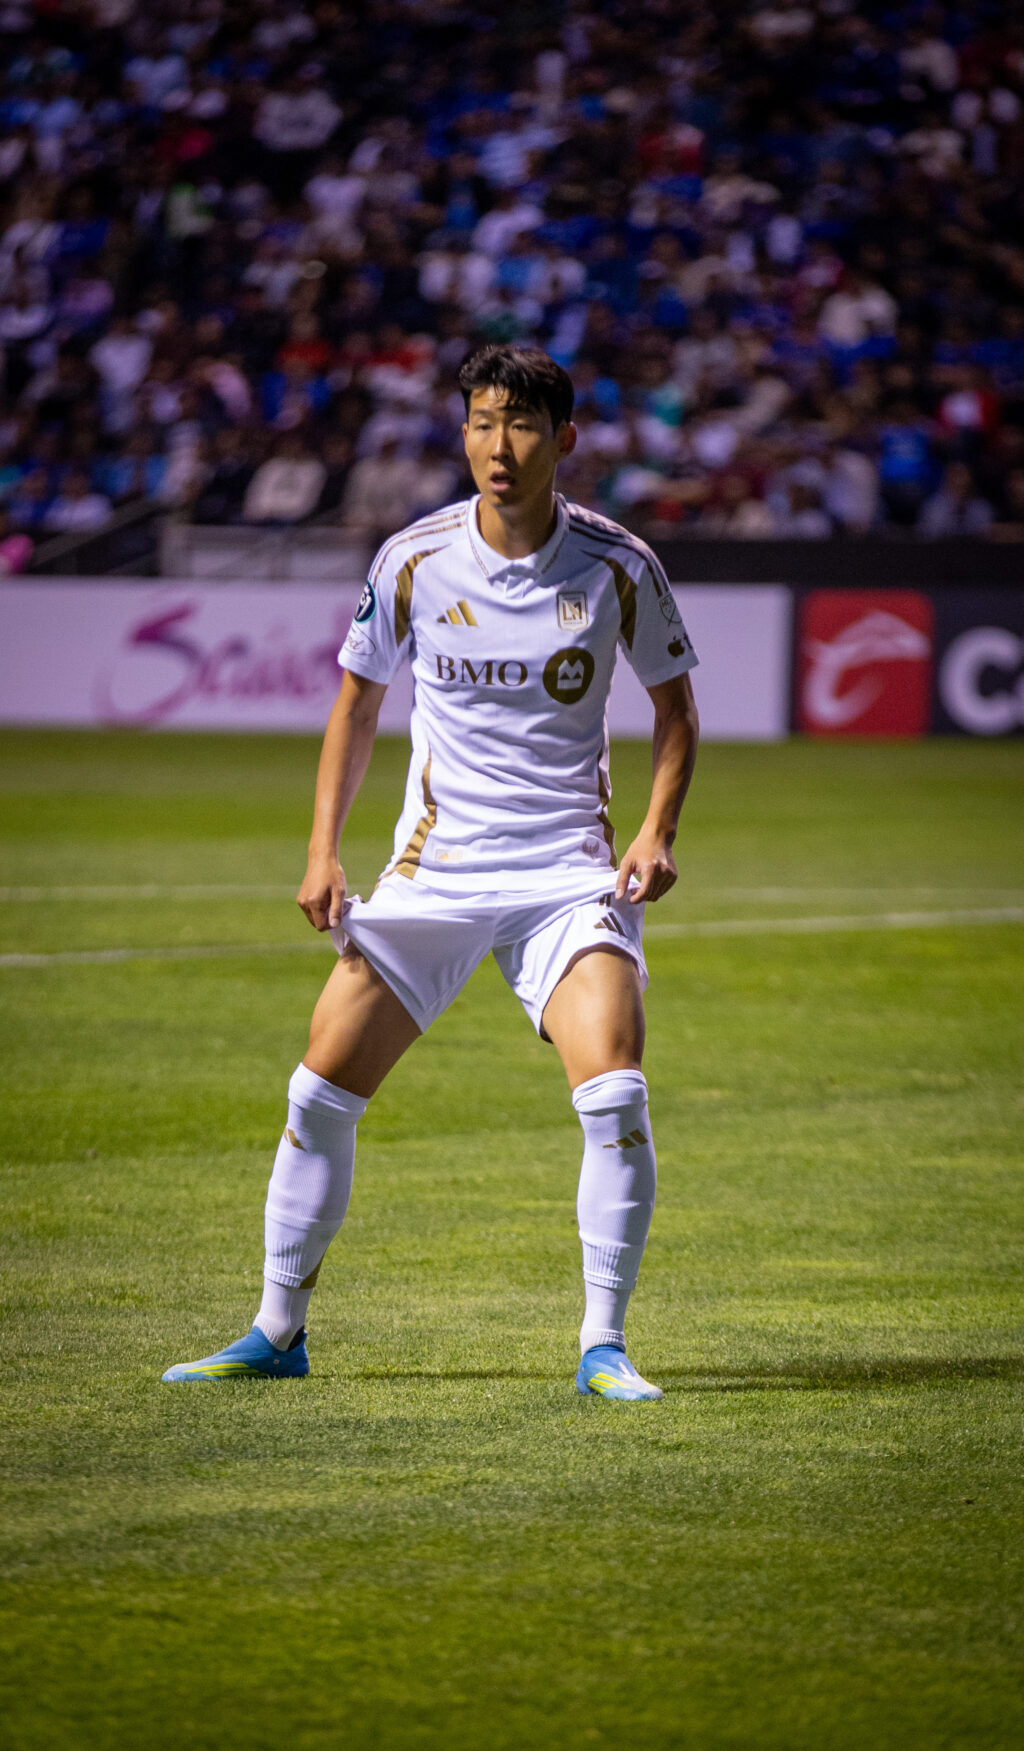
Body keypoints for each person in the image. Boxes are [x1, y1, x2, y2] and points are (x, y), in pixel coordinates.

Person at [162, 345, 700, 1401]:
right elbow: (356, 706)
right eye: (482, 422)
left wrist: (654, 831)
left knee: (616, 1090)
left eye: (523, 425)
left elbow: (675, 710)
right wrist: (322, 849)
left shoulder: (617, 564)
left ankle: (603, 1343)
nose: (500, 447)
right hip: (431, 877)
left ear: (565, 439)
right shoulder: (413, 559)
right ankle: (278, 1328)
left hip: (565, 878)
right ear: (463, 433)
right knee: (317, 1093)